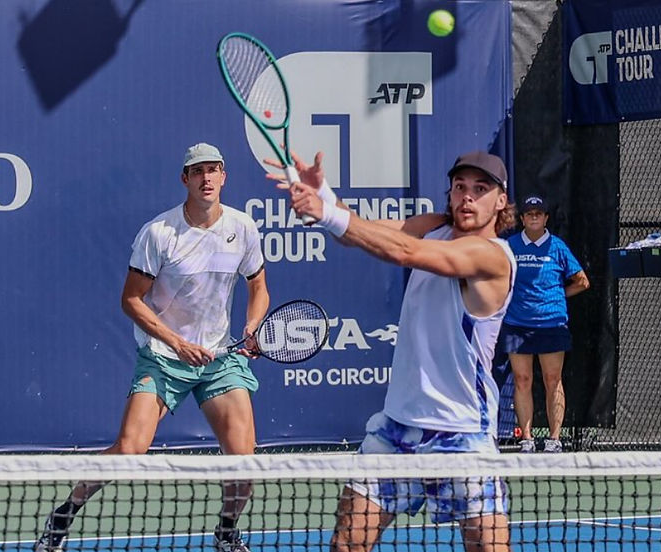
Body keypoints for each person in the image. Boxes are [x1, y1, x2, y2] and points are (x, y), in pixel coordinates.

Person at [269, 150, 516, 552]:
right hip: (396, 429)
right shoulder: (433, 225)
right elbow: (366, 232)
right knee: (346, 543)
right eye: (460, 187)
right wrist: (325, 196)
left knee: (488, 549)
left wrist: (326, 213)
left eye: (481, 189)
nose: (467, 197)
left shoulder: (492, 257)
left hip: (463, 433)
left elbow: (404, 252)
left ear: (501, 201)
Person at [35, 143, 269, 552]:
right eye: (198, 172)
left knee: (243, 459)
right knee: (130, 449)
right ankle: (62, 516)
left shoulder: (243, 227)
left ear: (224, 176)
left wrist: (252, 325)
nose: (207, 178)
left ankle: (227, 531)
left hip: (218, 360)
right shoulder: (158, 233)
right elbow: (130, 301)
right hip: (164, 357)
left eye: (214, 170)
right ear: (185, 179)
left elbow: (259, 287)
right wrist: (176, 343)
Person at [499, 195, 589, 453]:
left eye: (539, 213)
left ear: (546, 218)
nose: (534, 216)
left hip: (552, 324)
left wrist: (558, 296)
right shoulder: (511, 246)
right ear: (522, 218)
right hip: (517, 324)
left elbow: (582, 281)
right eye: (529, 213)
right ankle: (526, 439)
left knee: (553, 380)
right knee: (522, 380)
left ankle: (554, 439)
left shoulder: (558, 247)